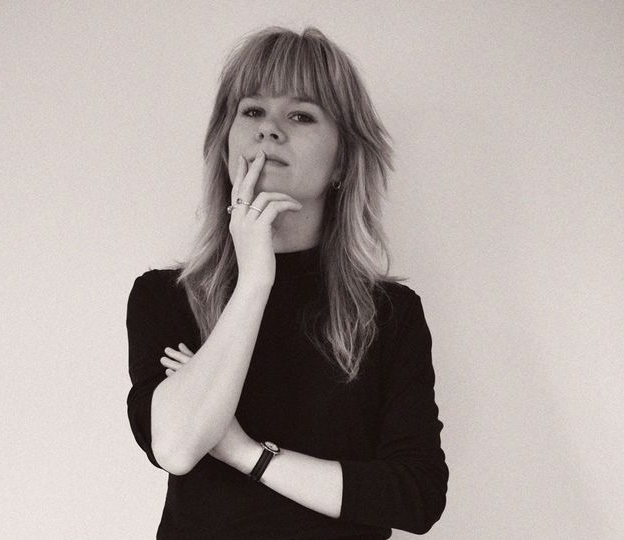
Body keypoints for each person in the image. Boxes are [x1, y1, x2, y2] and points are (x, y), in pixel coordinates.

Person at [126, 26, 448, 539]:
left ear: (342, 159)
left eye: (301, 115)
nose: (269, 131)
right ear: (225, 144)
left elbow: (414, 496)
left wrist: (244, 452)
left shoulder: (388, 313)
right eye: (252, 110)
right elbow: (176, 447)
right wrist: (255, 278)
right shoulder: (167, 297)